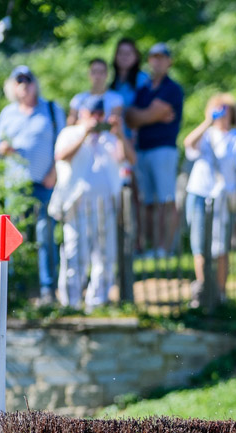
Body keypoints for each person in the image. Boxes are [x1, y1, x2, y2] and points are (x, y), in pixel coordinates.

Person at [0, 65, 66, 304]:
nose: (24, 85)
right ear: (13, 86)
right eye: (19, 80)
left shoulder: (51, 109)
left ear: (35, 83)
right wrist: (3, 149)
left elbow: (63, 145)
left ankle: (47, 289)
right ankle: (16, 290)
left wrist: (54, 172)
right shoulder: (7, 113)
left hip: (45, 183)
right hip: (15, 185)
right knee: (15, 237)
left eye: (28, 80)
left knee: (45, 235)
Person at [52, 96, 136, 310]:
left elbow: (129, 159)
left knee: (105, 254)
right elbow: (61, 156)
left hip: (106, 204)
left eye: (100, 114)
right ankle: (71, 302)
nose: (97, 118)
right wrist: (84, 134)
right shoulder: (70, 133)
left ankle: (98, 301)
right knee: (75, 253)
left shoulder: (110, 137)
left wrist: (120, 134)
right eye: (93, 114)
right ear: (83, 114)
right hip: (77, 203)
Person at [183, 94, 236, 307]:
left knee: (221, 246)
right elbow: (188, 144)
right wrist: (208, 121)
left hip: (223, 197)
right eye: (217, 109)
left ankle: (221, 293)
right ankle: (203, 291)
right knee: (199, 245)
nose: (222, 114)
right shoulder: (205, 135)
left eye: (225, 109)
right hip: (199, 193)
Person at [126, 43, 184, 260]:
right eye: (153, 57)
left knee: (166, 200)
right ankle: (152, 247)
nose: (157, 62)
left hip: (163, 149)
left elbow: (140, 116)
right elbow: (130, 118)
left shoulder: (172, 88)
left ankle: (165, 248)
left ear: (169, 61)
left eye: (162, 58)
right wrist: (148, 115)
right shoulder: (143, 89)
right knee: (148, 203)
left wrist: (142, 116)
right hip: (143, 150)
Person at [69, 58, 124, 125]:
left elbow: (114, 124)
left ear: (107, 74)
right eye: (94, 72)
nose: (97, 76)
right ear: (89, 74)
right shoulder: (78, 99)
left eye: (101, 72)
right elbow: (70, 123)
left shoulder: (116, 99)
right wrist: (84, 122)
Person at [110, 38, 150, 112]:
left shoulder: (144, 80)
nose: (124, 57)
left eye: (128, 53)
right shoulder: (112, 82)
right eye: (121, 53)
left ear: (136, 56)